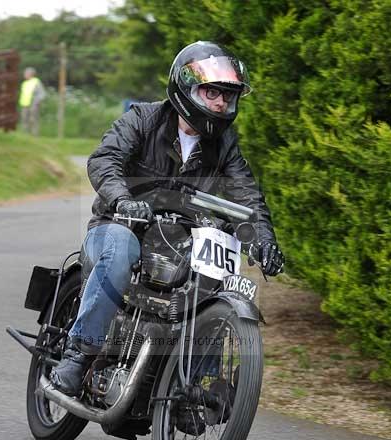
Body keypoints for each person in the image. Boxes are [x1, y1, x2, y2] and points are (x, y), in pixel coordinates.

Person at [50, 41, 285, 396]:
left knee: (217, 280)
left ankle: (192, 385)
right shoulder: (143, 119)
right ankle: (78, 354)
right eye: (212, 92)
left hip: (178, 241)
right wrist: (123, 199)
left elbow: (247, 196)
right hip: (120, 225)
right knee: (118, 255)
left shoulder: (224, 144)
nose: (222, 103)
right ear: (185, 89)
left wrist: (263, 240)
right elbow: (104, 160)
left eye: (228, 95)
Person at [19, 67, 46, 136]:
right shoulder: (25, 83)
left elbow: (42, 94)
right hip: (24, 105)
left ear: (31, 74)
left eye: (26, 73)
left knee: (33, 120)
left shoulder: (36, 82)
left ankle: (35, 135)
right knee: (24, 120)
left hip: (33, 105)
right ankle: (25, 135)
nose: (24, 74)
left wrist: (36, 103)